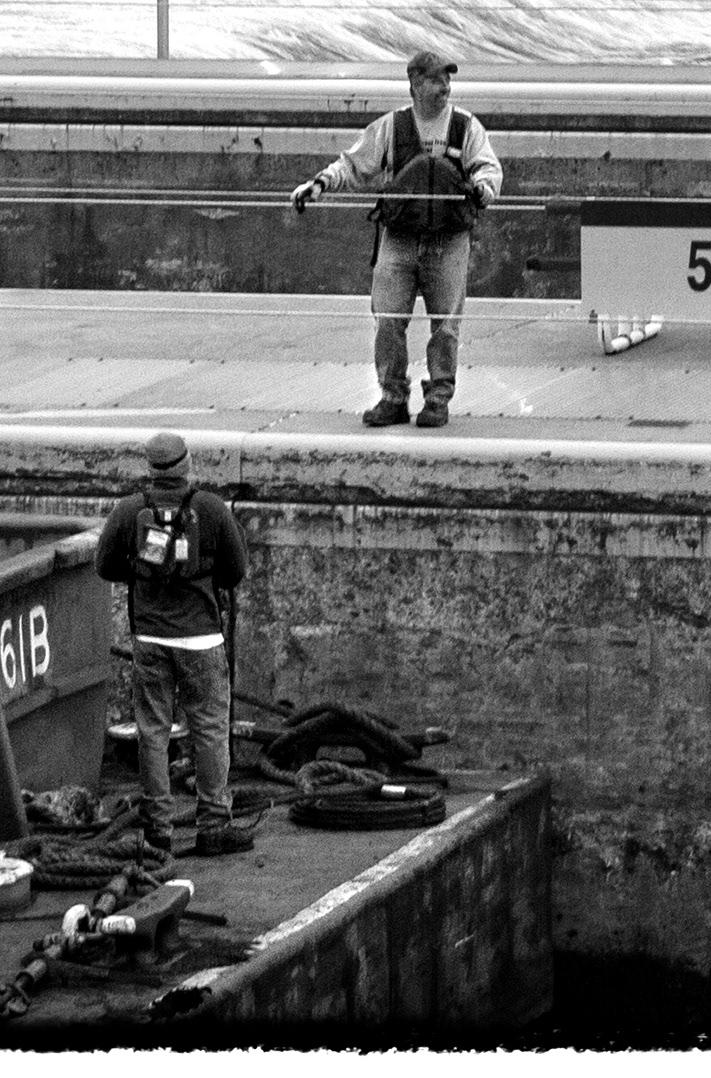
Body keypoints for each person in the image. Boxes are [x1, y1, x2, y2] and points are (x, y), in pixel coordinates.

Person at [291, 48, 502, 430]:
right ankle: (392, 397)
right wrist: (318, 185)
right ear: (415, 84)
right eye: (438, 80)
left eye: (448, 80)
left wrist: (484, 188)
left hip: (449, 241)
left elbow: (489, 168)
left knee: (447, 325)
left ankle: (438, 398)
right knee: (387, 319)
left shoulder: (467, 127)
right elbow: (352, 165)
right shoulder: (390, 128)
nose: (446, 87)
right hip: (398, 240)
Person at [94, 431, 255, 856]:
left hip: (149, 637)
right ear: (187, 465)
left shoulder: (131, 511)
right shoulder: (210, 508)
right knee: (209, 729)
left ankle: (158, 830)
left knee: (153, 732)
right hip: (201, 638)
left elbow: (105, 565)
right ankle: (214, 824)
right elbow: (237, 570)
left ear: (150, 468)